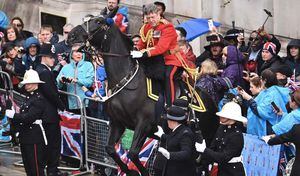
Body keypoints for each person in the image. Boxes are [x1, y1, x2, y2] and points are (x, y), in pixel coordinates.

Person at [135, 3, 186, 106]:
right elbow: (142, 43)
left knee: (168, 76)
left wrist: (143, 54)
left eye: (153, 17)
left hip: (171, 59)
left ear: (159, 14)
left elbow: (161, 48)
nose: (151, 20)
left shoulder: (167, 27)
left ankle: (170, 104)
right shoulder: (146, 27)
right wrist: (135, 50)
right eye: (148, 18)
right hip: (154, 60)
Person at [5, 69, 46, 176]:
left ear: (35, 83)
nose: (26, 85)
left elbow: (29, 117)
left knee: (36, 168)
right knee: (28, 167)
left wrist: (14, 115)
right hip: (26, 136)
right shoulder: (29, 97)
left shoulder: (38, 99)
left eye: (28, 83)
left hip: (34, 137)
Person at [35, 43, 66, 176]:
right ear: (44, 57)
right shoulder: (44, 72)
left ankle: (51, 169)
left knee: (49, 143)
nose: (54, 60)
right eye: (51, 57)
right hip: (48, 113)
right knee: (53, 144)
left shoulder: (41, 70)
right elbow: (51, 93)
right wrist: (61, 106)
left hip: (46, 113)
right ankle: (52, 170)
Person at [195, 101, 247, 176]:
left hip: (232, 171)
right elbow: (214, 146)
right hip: (221, 168)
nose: (221, 117)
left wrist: (205, 150)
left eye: (224, 116)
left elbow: (223, 157)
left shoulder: (236, 135)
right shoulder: (222, 127)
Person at [239, 69, 290, 137]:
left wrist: (249, 99)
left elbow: (261, 113)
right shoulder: (270, 90)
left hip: (266, 130)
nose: (260, 80)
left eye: (261, 78)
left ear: (265, 81)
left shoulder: (272, 94)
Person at [154, 106, 196, 176]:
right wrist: (162, 136)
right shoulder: (178, 130)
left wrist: (170, 155)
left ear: (173, 121)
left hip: (181, 172)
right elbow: (174, 139)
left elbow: (186, 153)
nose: (167, 121)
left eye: (168, 119)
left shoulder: (185, 133)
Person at [57, 43, 94, 113]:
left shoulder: (88, 65)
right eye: (76, 52)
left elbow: (90, 82)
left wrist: (77, 81)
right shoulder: (66, 67)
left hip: (85, 104)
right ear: (72, 54)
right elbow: (57, 85)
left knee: (85, 123)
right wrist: (61, 81)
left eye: (81, 52)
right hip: (69, 105)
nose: (79, 54)